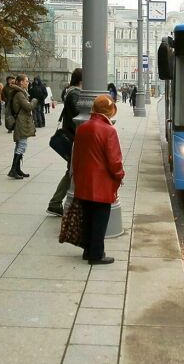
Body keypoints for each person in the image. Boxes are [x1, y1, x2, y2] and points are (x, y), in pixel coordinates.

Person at [72, 95, 124, 264]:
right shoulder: (109, 131)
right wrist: (119, 175)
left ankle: (87, 250)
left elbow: (76, 156)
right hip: (101, 183)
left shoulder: (82, 128)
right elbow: (114, 160)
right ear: (110, 111)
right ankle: (97, 255)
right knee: (100, 220)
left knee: (87, 217)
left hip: (84, 180)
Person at [46, 68, 82, 216]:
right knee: (72, 171)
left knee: (71, 171)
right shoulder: (74, 93)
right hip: (73, 137)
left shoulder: (71, 92)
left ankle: (56, 203)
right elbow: (78, 112)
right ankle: (56, 203)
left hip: (72, 135)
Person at [6, 73, 38, 179]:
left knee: (20, 145)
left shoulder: (21, 93)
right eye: (26, 81)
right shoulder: (20, 94)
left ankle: (17, 169)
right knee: (22, 145)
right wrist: (34, 101)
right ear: (21, 82)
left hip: (22, 121)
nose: (28, 83)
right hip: (21, 121)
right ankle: (13, 170)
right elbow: (28, 107)